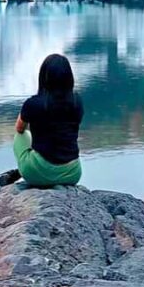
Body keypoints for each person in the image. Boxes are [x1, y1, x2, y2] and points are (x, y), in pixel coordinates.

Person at [13, 54, 83, 187]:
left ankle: (27, 169)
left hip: (38, 174)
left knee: (22, 136)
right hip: (73, 173)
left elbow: (19, 128)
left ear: (43, 77)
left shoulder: (34, 103)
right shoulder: (76, 102)